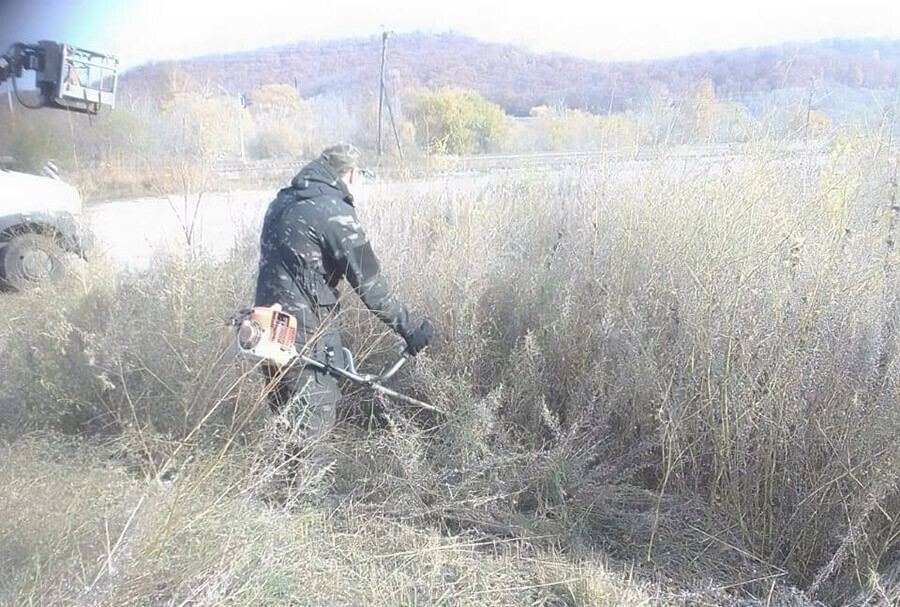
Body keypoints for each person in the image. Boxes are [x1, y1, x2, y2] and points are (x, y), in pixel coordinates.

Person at [253, 143, 433, 458]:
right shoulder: (332, 211)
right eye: (360, 175)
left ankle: (281, 495)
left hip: (265, 325)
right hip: (305, 333)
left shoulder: (281, 202)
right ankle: (305, 501)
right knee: (314, 415)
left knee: (284, 416)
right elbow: (371, 286)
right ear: (349, 174)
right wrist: (411, 329)